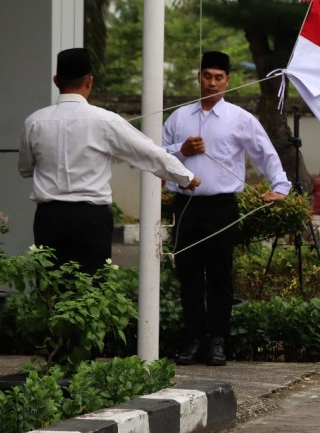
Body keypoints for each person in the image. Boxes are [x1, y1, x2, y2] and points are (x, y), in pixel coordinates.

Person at [19, 48, 200, 275]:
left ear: (56, 81)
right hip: (91, 220)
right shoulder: (105, 120)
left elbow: (25, 169)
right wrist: (186, 177)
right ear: (90, 80)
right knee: (92, 287)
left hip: (49, 218)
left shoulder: (34, 122)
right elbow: (148, 152)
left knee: (50, 285)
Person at [162, 51, 291, 367]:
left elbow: (264, 152)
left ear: (228, 81)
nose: (212, 82)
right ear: (199, 77)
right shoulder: (178, 117)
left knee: (220, 275)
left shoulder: (239, 118)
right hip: (186, 206)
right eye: (207, 76)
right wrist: (182, 149)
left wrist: (280, 186)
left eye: (218, 77)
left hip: (222, 207)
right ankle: (194, 340)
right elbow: (157, 156)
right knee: (189, 275)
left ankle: (218, 341)